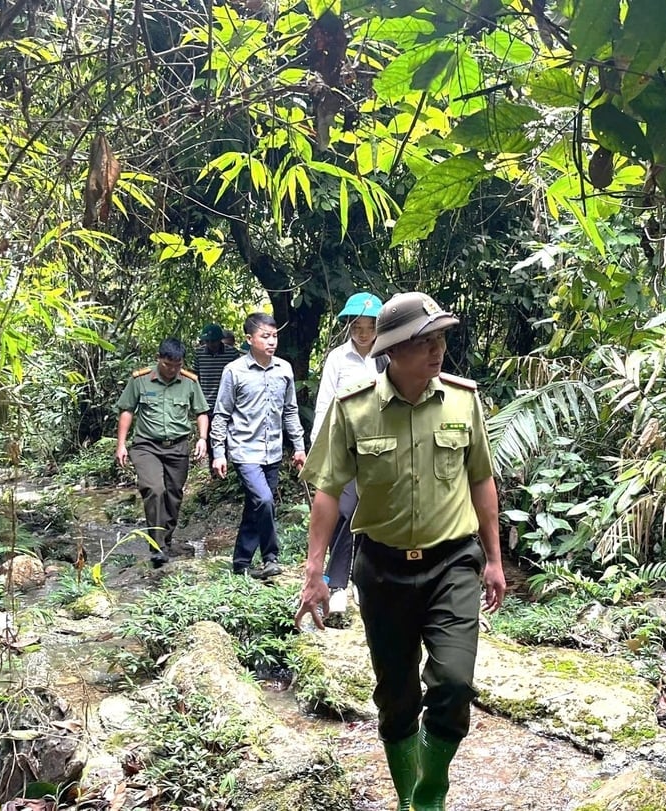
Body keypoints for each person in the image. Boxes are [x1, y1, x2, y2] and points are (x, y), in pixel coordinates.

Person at [294, 291, 506, 811]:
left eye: (439, 340)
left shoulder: (462, 400)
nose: (437, 352)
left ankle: (428, 796)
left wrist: (494, 559)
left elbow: (481, 479)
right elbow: (326, 490)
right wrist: (315, 569)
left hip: (452, 562)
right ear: (393, 350)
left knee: (454, 684)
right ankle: (406, 796)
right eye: (424, 342)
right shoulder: (355, 409)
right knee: (396, 700)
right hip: (383, 568)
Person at [210, 313, 307, 577]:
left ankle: (241, 564)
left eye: (274, 336)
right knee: (264, 501)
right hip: (244, 450)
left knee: (256, 506)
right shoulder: (234, 371)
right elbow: (221, 414)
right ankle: (271, 557)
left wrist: (298, 447)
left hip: (273, 450)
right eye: (265, 336)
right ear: (249, 339)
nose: (271, 341)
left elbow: (290, 411)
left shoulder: (284, 369)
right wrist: (218, 453)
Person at [309, 292, 385, 615]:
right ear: (349, 325)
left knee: (373, 517)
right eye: (357, 325)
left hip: (381, 448)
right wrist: (318, 448)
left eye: (369, 326)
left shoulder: (388, 358)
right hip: (344, 447)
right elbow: (325, 403)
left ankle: (363, 580)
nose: (363, 333)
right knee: (344, 513)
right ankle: (338, 583)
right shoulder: (338, 359)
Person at [115, 338, 209, 567]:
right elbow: (127, 410)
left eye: (177, 365)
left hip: (177, 447)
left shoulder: (189, 382)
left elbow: (201, 412)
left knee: (173, 495)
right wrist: (121, 444)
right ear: (159, 359)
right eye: (168, 364)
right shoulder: (141, 380)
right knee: (154, 489)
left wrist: (203, 439)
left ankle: (165, 539)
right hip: (147, 446)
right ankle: (157, 546)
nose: (173, 369)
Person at [194, 323, 240, 463]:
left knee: (227, 438)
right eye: (207, 341)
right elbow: (196, 377)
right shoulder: (200, 354)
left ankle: (227, 467)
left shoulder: (232, 353)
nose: (210, 344)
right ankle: (214, 471)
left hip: (227, 404)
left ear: (219, 339)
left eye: (213, 341)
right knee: (208, 439)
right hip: (207, 404)